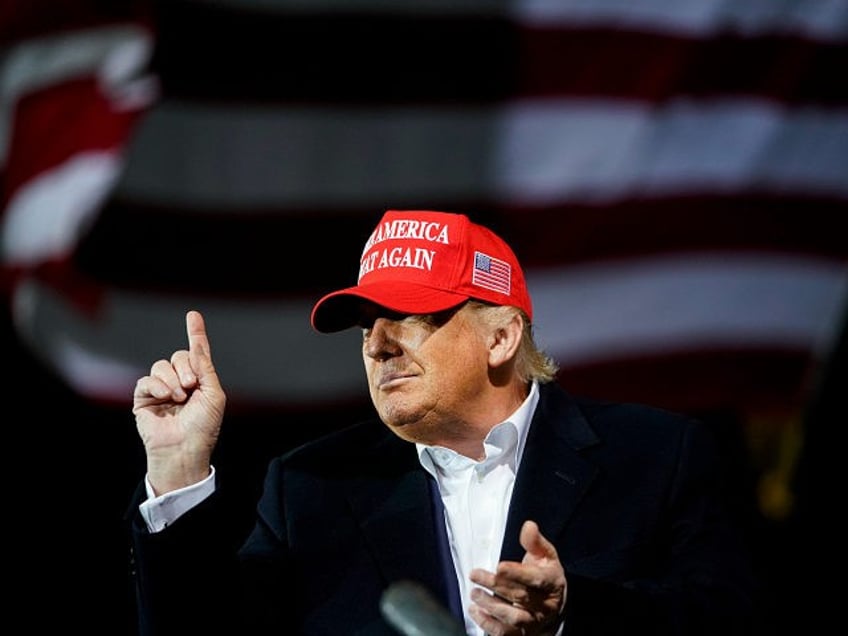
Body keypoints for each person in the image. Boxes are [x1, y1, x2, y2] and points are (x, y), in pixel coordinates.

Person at [127, 209, 756, 636]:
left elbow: (729, 622)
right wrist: (177, 472)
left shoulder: (657, 457)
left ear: (502, 336)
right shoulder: (312, 487)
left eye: (411, 315)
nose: (377, 346)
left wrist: (569, 615)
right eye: (366, 328)